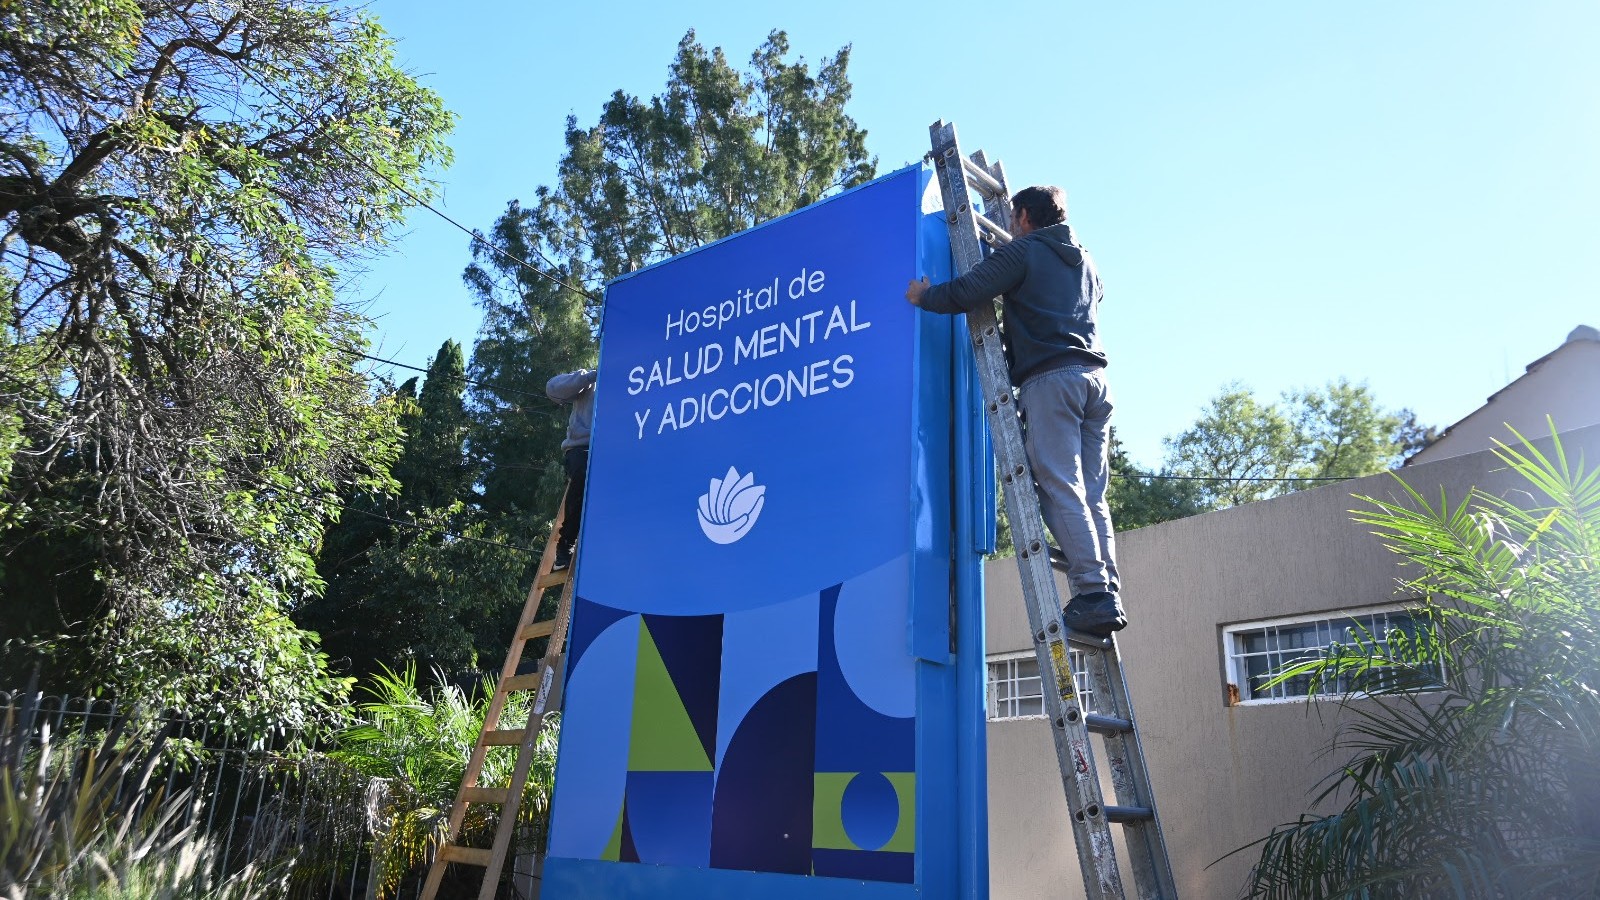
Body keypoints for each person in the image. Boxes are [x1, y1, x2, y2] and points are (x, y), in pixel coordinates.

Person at [905, 185, 1125, 635]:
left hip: (1053, 381)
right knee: (1093, 496)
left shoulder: (1026, 252)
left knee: (1059, 486)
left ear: (1023, 216)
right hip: (1096, 382)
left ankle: (1093, 593)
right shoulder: (1086, 260)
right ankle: (1107, 590)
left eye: (1012, 217)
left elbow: (970, 290)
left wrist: (924, 296)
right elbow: (1093, 296)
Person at [546, 368, 597, 570]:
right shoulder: (590, 379)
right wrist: (590, 375)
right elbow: (552, 388)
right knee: (582, 476)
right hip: (582, 447)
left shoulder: (632, 382)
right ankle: (565, 546)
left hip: (612, 452)